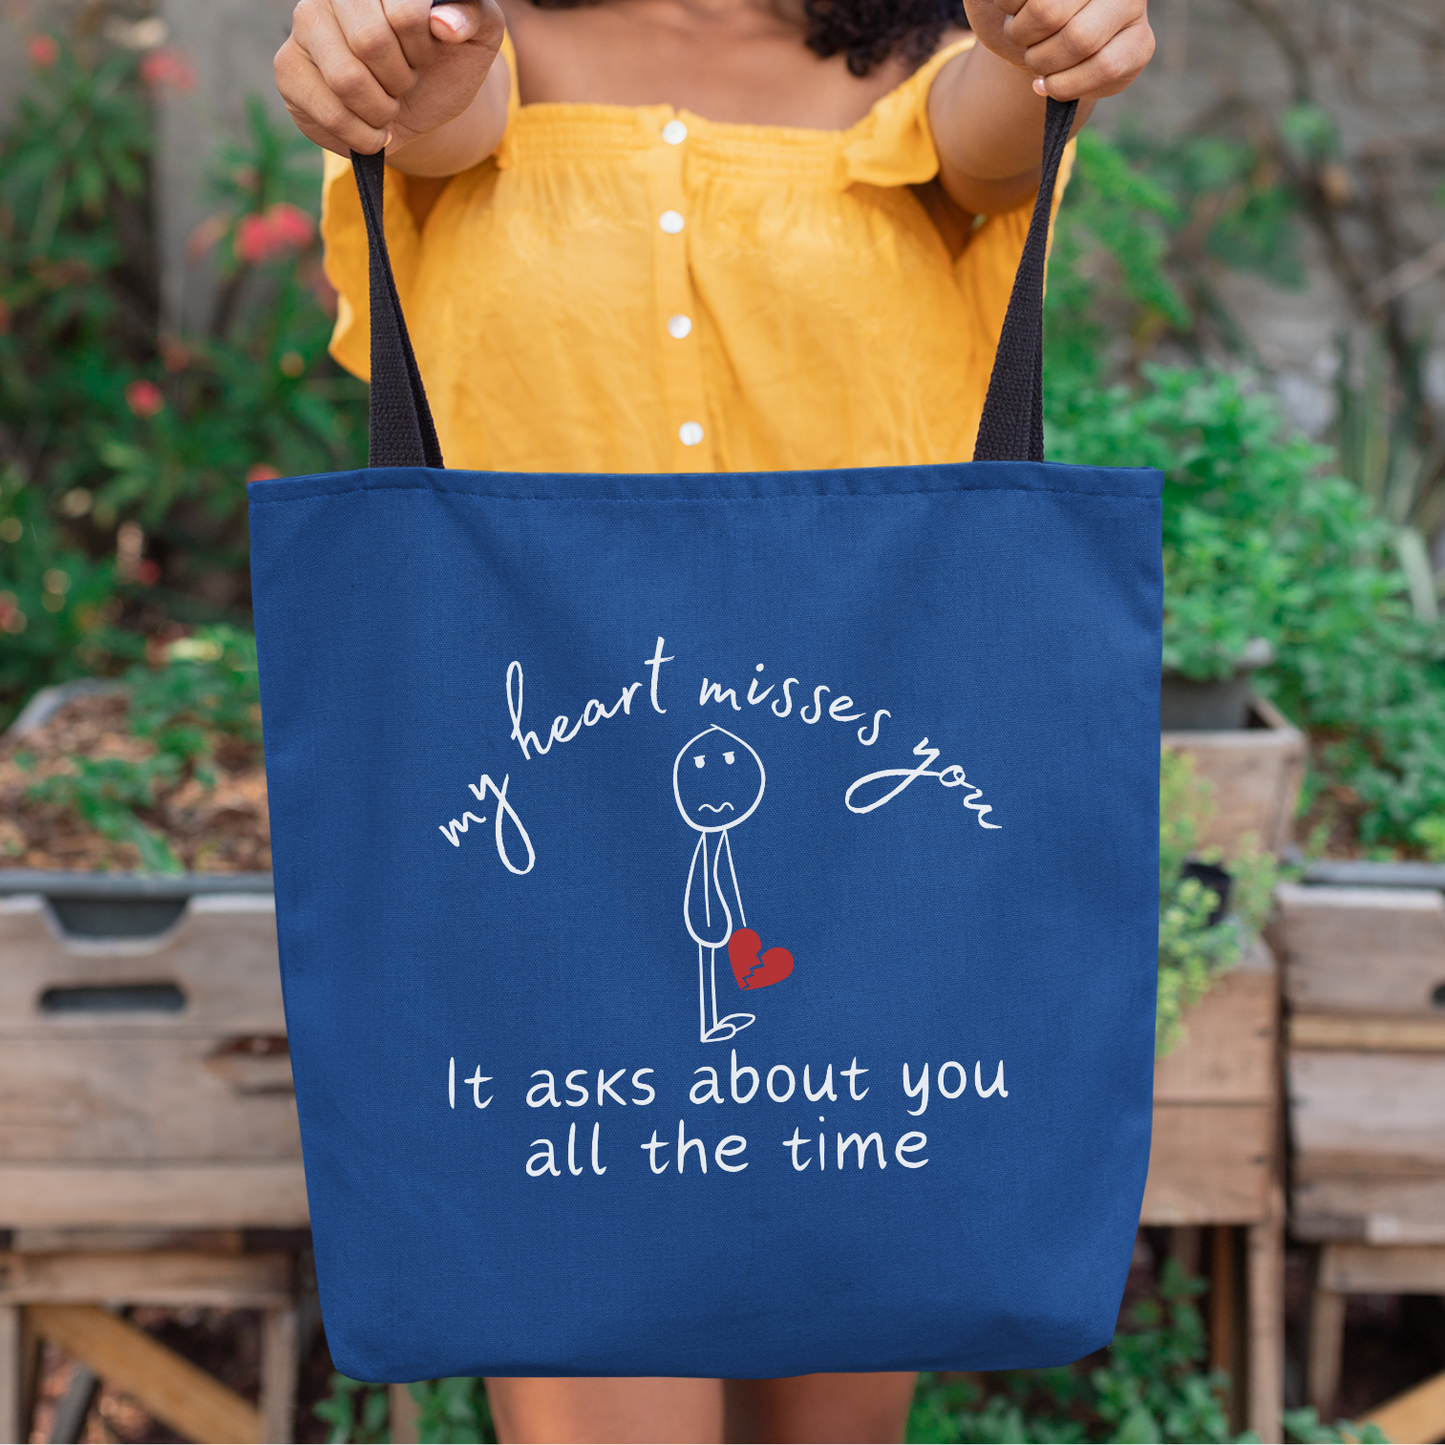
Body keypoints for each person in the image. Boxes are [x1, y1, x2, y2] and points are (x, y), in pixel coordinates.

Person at [275, 0, 1153, 1438]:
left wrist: (1047, 47)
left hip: (872, 864)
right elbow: (444, 116)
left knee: (842, 1406)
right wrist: (393, 66)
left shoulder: (935, 50)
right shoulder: (469, 39)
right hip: (542, 844)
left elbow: (986, 131)